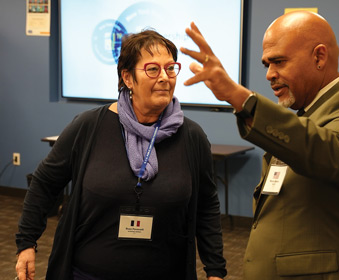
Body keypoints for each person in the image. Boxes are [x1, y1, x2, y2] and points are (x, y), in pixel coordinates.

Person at [180, 11, 339, 279]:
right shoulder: (307, 115)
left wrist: (240, 98)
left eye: (279, 61)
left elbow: (334, 155)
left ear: (319, 56)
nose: (270, 74)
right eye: (266, 65)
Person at [15, 30, 226, 280]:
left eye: (170, 68)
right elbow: (44, 183)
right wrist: (27, 243)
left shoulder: (191, 136)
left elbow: (206, 206)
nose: (164, 78)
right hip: (89, 273)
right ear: (127, 77)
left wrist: (215, 271)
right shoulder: (89, 126)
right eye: (152, 69)